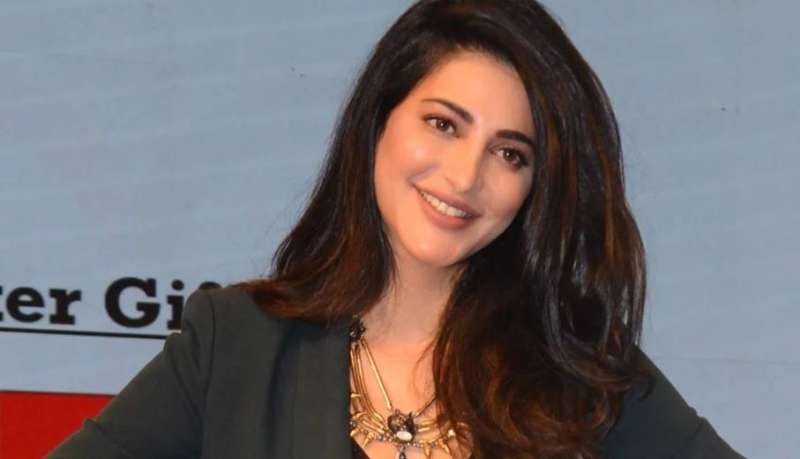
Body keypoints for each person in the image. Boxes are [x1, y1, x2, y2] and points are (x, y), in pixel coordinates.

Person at [48, 1, 745, 458]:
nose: (464, 176)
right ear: (378, 123)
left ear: (537, 186)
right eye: (442, 124)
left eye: (510, 154)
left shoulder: (579, 370)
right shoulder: (234, 343)